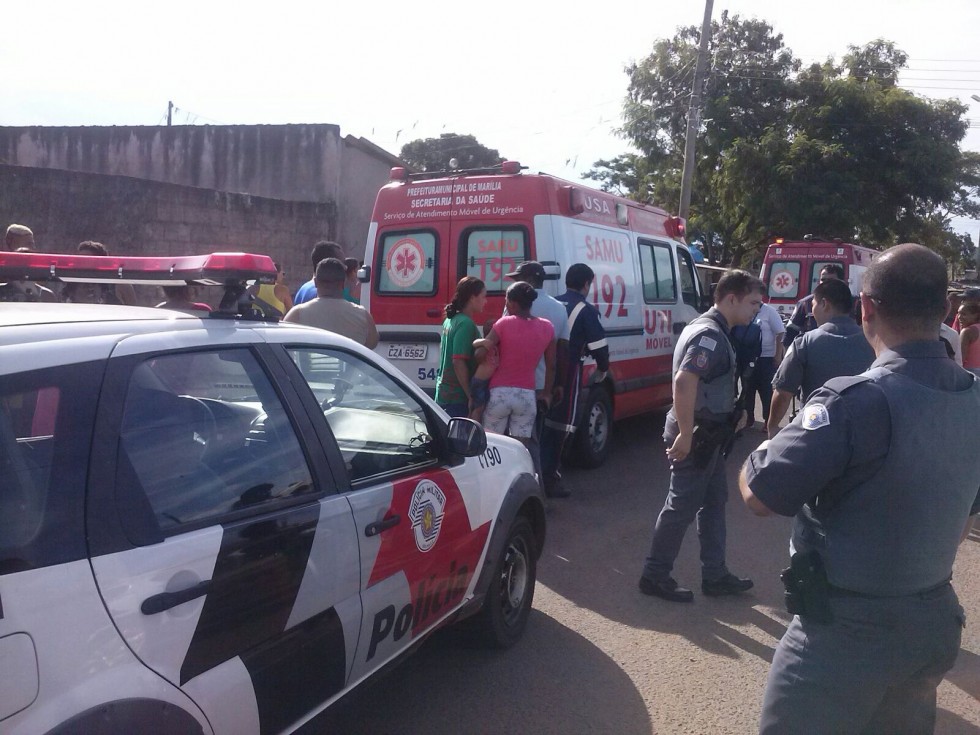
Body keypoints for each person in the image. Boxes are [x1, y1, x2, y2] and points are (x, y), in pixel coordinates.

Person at [739, 243, 980, 735]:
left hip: (845, 633)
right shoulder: (974, 396)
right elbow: (962, 521)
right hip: (932, 622)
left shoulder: (854, 401)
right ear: (945, 310)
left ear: (866, 307)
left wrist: (756, 454)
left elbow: (760, 494)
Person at [638, 269, 763, 603]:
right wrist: (684, 434)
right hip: (697, 437)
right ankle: (654, 575)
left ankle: (716, 574)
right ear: (731, 298)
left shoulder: (712, 329)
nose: (756, 309)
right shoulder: (709, 335)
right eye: (752, 302)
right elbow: (684, 381)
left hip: (710, 435)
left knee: (714, 503)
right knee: (680, 506)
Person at [767, 279, 875, 437]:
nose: (812, 311)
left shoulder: (805, 343)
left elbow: (783, 393)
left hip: (815, 432)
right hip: (862, 432)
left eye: (813, 305)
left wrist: (773, 428)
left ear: (824, 304)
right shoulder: (873, 341)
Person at [539, 263, 609, 498]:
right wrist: (603, 369)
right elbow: (600, 347)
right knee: (563, 424)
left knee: (542, 422)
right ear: (586, 284)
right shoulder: (586, 310)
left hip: (542, 368)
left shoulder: (553, 302)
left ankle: (538, 471)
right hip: (568, 370)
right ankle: (549, 477)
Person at [503, 261, 570, 486]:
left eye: (518, 278)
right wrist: (556, 386)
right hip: (542, 386)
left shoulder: (515, 305)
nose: (514, 282)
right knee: (533, 440)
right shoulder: (559, 308)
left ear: (530, 280)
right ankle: (537, 485)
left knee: (512, 442)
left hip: (512, 383)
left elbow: (502, 340)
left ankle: (522, 489)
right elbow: (562, 351)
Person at [474, 281, 556, 453]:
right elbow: (552, 366)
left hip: (499, 394)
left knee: (491, 448)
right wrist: (547, 393)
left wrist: (483, 346)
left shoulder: (504, 324)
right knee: (520, 451)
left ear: (512, 303)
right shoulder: (547, 327)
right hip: (526, 396)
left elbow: (480, 355)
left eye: (506, 301)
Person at [284, 258, 379, 348]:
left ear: (316, 282)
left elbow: (283, 343)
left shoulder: (296, 315)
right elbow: (372, 345)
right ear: (342, 283)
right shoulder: (363, 316)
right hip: (351, 365)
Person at [434, 276, 486, 418]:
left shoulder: (451, 320)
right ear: (472, 298)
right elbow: (458, 361)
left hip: (444, 395)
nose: (485, 301)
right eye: (483, 297)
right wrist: (470, 395)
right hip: (457, 399)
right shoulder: (465, 324)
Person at [782, 263, 845, 347]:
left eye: (830, 280)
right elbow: (790, 334)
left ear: (841, 282)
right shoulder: (806, 303)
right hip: (812, 352)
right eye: (823, 280)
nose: (825, 284)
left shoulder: (854, 303)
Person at [745, 302, 785, 428]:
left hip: (767, 359)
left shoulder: (769, 311)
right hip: (748, 358)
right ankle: (748, 419)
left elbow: (780, 333)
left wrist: (778, 355)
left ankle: (769, 421)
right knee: (748, 391)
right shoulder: (744, 308)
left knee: (767, 392)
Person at [63, 241, 138, 305]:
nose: (82, 264)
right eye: (79, 260)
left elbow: (134, 313)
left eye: (87, 261)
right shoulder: (71, 285)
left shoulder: (120, 285)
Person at [293, 241, 345, 306]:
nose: (345, 267)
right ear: (328, 263)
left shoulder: (304, 289)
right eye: (342, 263)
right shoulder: (321, 293)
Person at [959, 301, 980, 376]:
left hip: (970, 373)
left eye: (963, 314)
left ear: (976, 315)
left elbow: (960, 358)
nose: (959, 317)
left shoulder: (967, 332)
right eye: (958, 313)